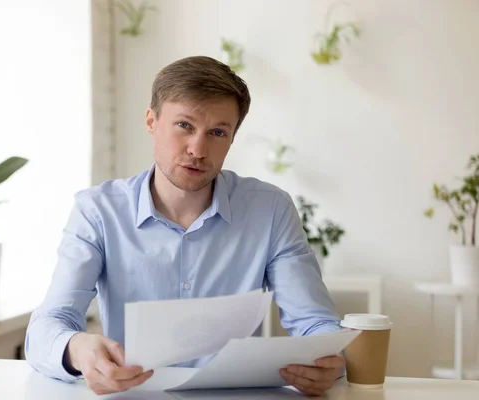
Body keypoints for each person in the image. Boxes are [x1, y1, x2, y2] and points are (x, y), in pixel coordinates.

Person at [25, 55, 344, 396]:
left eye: (218, 132)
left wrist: (328, 360)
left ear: (232, 138)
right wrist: (77, 349)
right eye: (184, 126)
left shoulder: (270, 210)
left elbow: (314, 322)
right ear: (151, 121)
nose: (198, 149)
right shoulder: (98, 211)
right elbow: (48, 325)